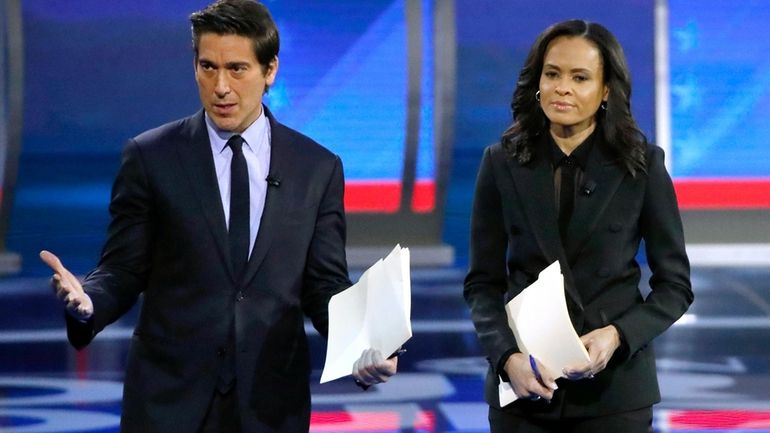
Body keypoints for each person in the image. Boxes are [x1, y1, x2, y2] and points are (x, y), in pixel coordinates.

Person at [39, 1, 397, 432]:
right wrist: (88, 300)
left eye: (237, 69)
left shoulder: (316, 168)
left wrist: (361, 346)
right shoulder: (151, 157)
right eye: (208, 67)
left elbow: (323, 284)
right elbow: (123, 267)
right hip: (169, 402)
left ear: (270, 71)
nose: (221, 86)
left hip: (270, 405)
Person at [463, 20, 693, 432]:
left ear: (606, 92)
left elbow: (675, 286)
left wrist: (618, 336)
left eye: (580, 77)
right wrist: (505, 359)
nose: (562, 88)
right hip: (524, 390)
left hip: (615, 395)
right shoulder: (500, 163)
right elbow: (482, 284)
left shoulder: (642, 165)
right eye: (552, 74)